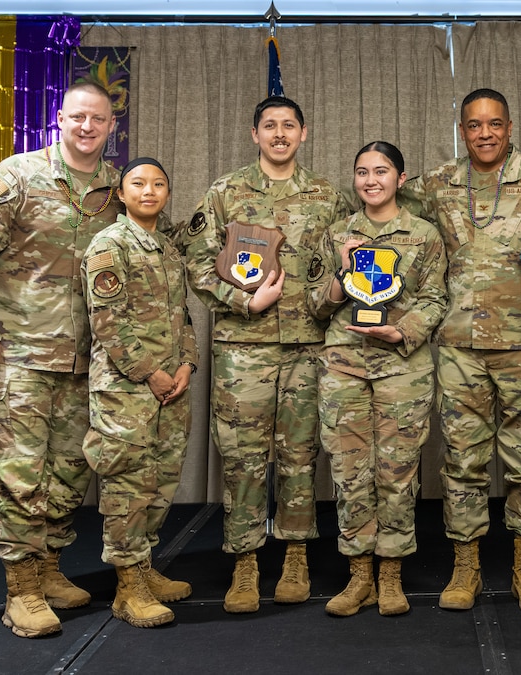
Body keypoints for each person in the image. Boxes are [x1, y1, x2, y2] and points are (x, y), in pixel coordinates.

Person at [0, 82, 121, 638]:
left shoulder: (119, 187)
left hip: (87, 359)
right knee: (19, 474)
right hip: (17, 354)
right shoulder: (15, 177)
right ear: (58, 120)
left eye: (98, 119)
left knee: (69, 472)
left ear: (112, 126)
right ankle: (21, 590)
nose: (87, 127)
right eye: (77, 118)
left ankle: (49, 570)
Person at [399, 88, 521, 613]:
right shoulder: (436, 184)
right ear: (462, 129)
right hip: (458, 345)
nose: (485, 133)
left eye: (495, 124)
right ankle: (465, 566)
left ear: (510, 127)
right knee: (462, 461)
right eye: (474, 125)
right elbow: (384, 212)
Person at [185, 95, 349, 613]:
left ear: (305, 133)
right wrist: (243, 300)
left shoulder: (328, 196)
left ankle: (296, 555)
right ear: (254, 134)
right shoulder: (225, 193)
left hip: (307, 346)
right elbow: (196, 263)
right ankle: (245, 562)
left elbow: (353, 262)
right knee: (243, 460)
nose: (279, 134)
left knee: (301, 457)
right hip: (243, 350)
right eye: (269, 126)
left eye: (289, 126)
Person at [308, 141, 448, 617]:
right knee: (349, 473)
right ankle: (358, 575)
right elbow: (315, 303)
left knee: (397, 471)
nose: (371, 180)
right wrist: (343, 268)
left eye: (382, 171)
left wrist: (402, 330)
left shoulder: (424, 234)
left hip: (402, 368)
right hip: (344, 366)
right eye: (362, 172)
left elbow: (435, 300)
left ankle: (391, 574)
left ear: (400, 179)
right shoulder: (334, 235)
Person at [80, 158, 197, 628]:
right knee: (128, 484)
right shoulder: (109, 245)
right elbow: (106, 321)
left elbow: (183, 317)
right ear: (121, 194)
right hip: (126, 388)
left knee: (161, 481)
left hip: (172, 387)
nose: (149, 191)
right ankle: (127, 587)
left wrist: (187, 364)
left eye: (158, 184)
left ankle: (145, 569)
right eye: (138, 184)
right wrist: (150, 372)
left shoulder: (168, 250)